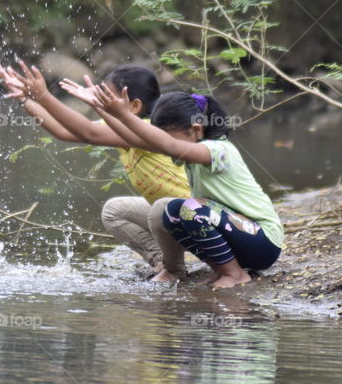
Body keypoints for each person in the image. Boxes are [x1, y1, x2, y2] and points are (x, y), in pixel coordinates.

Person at [0, 62, 190, 278]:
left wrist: (44, 96)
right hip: (171, 213)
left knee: (152, 208)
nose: (99, 102)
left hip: (192, 214)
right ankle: (162, 262)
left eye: (106, 97)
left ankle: (175, 269)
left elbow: (90, 133)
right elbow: (62, 131)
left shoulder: (148, 129)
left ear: (134, 106)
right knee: (115, 210)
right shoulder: (123, 127)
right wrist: (25, 98)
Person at [85, 84, 283, 289]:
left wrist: (125, 115)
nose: (162, 145)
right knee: (171, 210)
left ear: (197, 129)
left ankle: (234, 274)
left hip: (263, 243)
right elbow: (138, 138)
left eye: (169, 137)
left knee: (190, 208)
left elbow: (166, 145)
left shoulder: (219, 150)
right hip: (240, 242)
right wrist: (105, 111)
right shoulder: (189, 154)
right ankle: (222, 269)